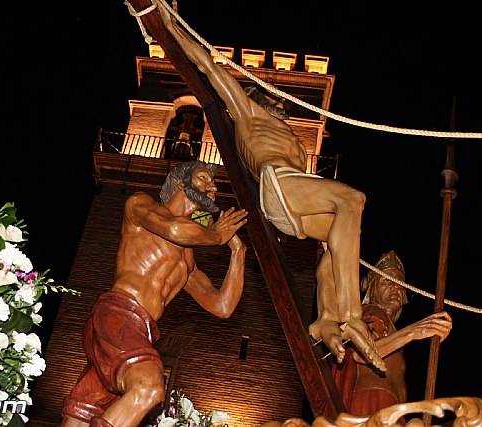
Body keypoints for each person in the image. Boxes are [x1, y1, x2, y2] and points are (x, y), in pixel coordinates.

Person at [156, 3, 384, 370]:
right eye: (274, 97)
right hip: (278, 184)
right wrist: (168, 27)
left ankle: (326, 317)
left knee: (338, 241)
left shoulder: (292, 137)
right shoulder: (248, 112)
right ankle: (352, 316)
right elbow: (209, 66)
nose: (281, 103)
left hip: (294, 198)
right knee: (353, 199)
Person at [60, 160, 248, 427]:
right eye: (204, 178)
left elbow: (222, 306)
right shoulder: (140, 206)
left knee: (82, 413)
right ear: (181, 183)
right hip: (118, 315)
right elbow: (173, 229)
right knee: (148, 386)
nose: (213, 187)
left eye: (212, 182)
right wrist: (215, 236)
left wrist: (238, 254)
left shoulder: (187, 259)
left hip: (140, 330)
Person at [331, 250, 453, 419]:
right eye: (387, 280)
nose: (395, 286)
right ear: (373, 286)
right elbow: (363, 353)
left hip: (391, 407)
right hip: (374, 401)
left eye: (399, 283)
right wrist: (413, 332)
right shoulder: (374, 311)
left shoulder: (389, 326)